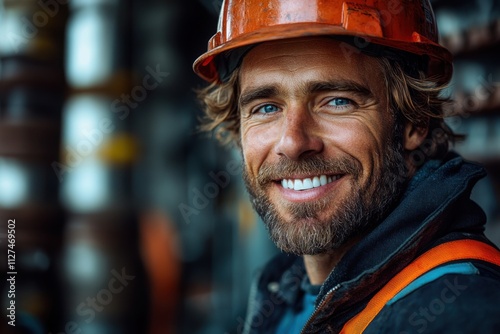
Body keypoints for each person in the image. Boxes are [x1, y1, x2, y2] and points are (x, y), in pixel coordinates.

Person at [193, 1, 500, 333]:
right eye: (266, 107)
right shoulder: (281, 296)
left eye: (337, 101)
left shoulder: (463, 315)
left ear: (415, 121)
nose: (293, 143)